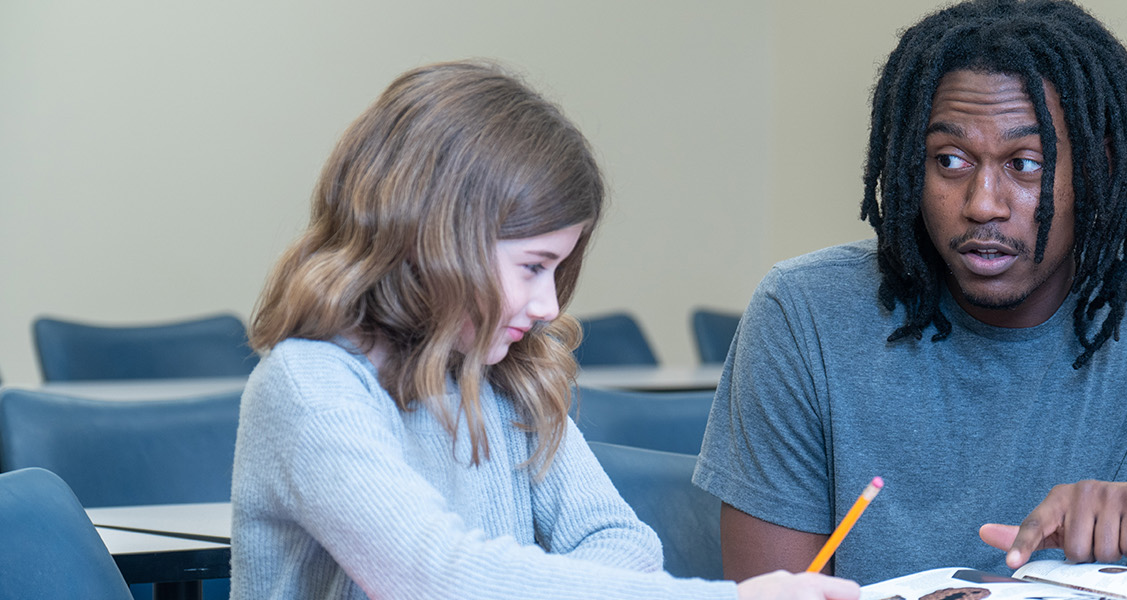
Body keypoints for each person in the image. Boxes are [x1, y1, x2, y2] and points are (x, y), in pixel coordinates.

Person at [692, 0, 1127, 590]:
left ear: (1097, 170)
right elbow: (772, 592)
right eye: (949, 161)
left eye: (1026, 164)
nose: (982, 202)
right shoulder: (804, 316)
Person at [230, 60, 860, 600]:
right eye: (532, 267)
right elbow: (432, 575)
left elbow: (620, 541)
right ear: (433, 240)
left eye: (556, 270)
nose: (548, 307)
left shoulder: (505, 375)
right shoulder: (309, 387)